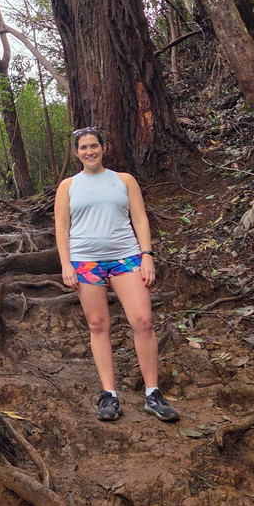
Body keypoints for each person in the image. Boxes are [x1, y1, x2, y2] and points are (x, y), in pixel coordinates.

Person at [54, 127, 179, 422]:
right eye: (83, 147)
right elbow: (61, 227)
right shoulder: (68, 186)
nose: (89, 151)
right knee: (98, 325)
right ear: (76, 153)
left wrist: (147, 255)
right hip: (86, 261)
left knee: (143, 321)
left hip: (126, 257)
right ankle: (109, 394)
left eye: (94, 146)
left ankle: (152, 393)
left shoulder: (123, 180)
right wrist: (66, 264)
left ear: (103, 148)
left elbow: (139, 217)